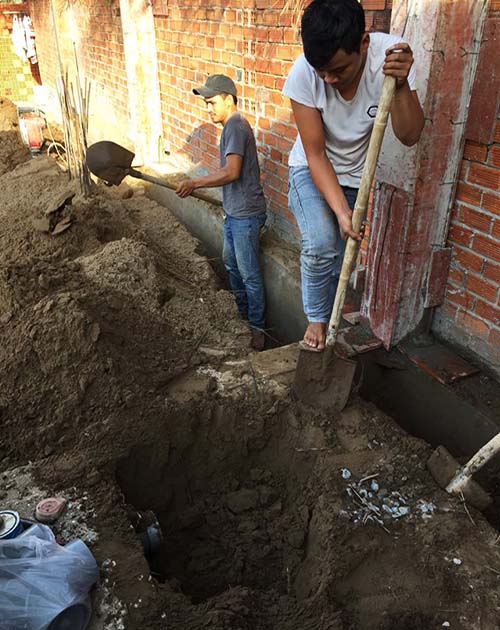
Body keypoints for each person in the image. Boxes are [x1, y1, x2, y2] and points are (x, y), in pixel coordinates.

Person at [282, 0, 424, 352]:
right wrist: (341, 213)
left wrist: (402, 85)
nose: (328, 79)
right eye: (321, 71)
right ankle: (317, 320)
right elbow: (315, 153)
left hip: (354, 180)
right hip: (310, 170)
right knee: (320, 244)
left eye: (337, 70)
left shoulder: (391, 60)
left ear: (362, 43)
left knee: (338, 261)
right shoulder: (303, 73)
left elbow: (410, 135)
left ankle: (331, 325)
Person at [176, 74, 268, 351]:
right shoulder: (231, 127)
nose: (209, 108)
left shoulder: (236, 126)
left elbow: (232, 172)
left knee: (249, 273)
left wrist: (195, 182)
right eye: (206, 103)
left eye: (212, 102)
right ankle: (241, 315)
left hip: (246, 215)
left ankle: (258, 328)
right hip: (234, 212)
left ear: (229, 99)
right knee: (230, 263)